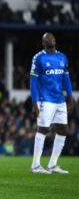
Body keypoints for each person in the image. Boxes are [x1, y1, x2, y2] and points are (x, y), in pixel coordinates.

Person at [30, 32, 73, 174]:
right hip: (45, 100)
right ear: (43, 42)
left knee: (63, 130)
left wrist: (70, 96)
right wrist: (34, 102)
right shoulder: (39, 58)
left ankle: (52, 164)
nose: (51, 39)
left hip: (60, 99)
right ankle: (35, 165)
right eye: (47, 38)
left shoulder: (62, 57)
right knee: (43, 129)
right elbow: (33, 81)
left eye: (52, 37)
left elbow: (66, 78)